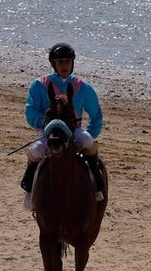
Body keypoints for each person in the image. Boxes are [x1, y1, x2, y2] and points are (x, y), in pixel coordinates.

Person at [20, 42, 106, 204]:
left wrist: (91, 132)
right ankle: (29, 188)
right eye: (60, 62)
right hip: (49, 132)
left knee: (88, 141)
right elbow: (31, 112)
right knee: (36, 150)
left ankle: (97, 185)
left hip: (74, 132)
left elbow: (96, 116)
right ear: (53, 64)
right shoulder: (39, 85)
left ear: (72, 63)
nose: (64, 65)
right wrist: (44, 122)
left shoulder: (83, 87)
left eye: (67, 61)